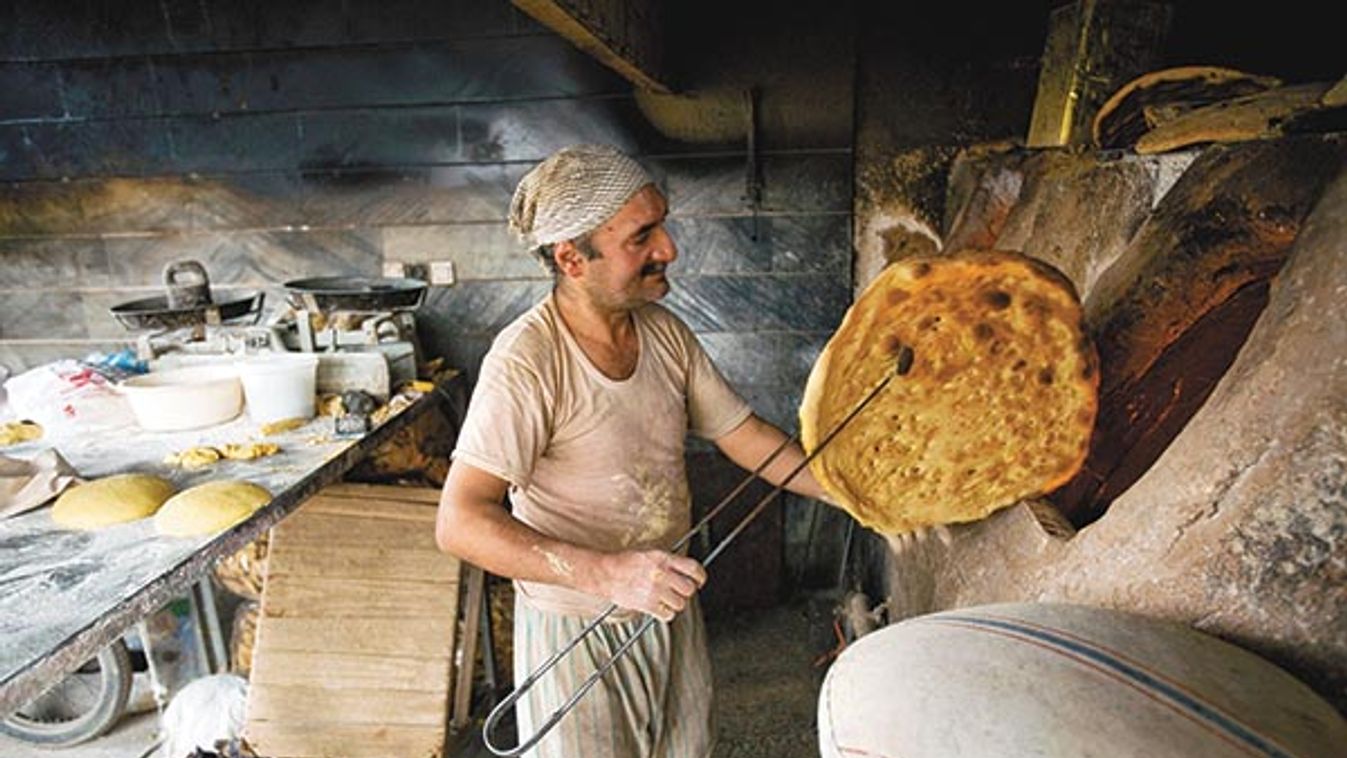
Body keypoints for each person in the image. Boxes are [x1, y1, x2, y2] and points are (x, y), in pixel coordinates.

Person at [435, 144, 832, 758]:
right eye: (642, 236)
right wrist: (608, 573)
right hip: (576, 631)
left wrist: (856, 492)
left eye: (662, 224)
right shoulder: (528, 362)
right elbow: (460, 521)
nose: (668, 249)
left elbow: (744, 436)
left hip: (666, 610)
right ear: (572, 258)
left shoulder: (664, 332)